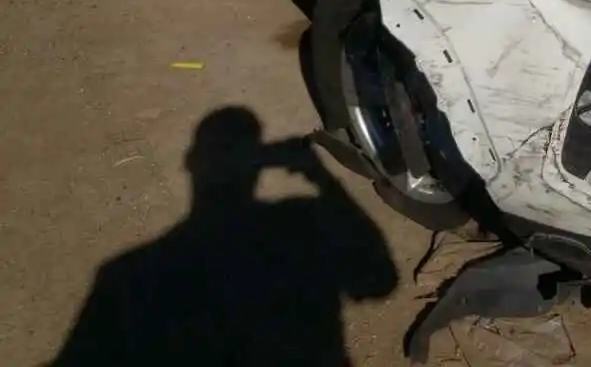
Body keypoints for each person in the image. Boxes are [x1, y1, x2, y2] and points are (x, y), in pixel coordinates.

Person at [48, 106, 398, 366]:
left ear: (190, 163)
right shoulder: (299, 223)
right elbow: (380, 280)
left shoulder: (125, 274)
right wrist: (320, 177)